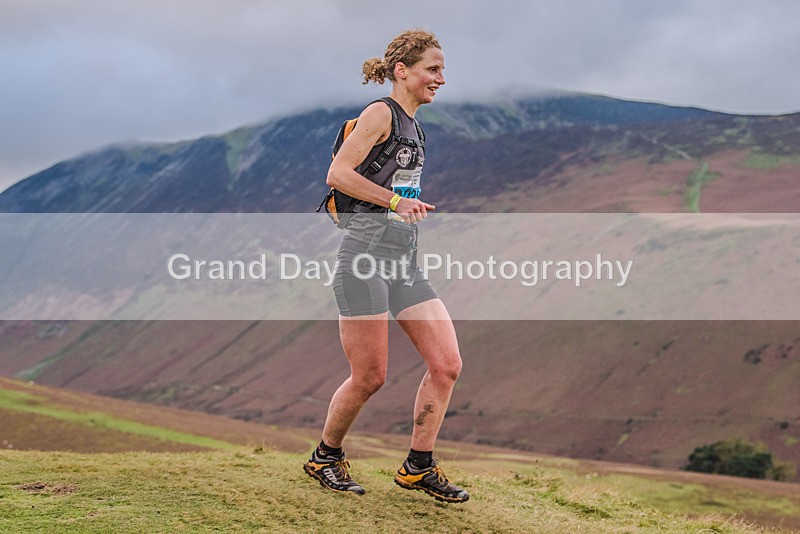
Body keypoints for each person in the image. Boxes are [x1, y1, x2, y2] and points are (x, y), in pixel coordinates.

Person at [303, 29, 469, 503]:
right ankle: (325, 458)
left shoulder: (416, 128)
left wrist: (406, 212)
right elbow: (337, 174)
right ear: (403, 71)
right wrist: (395, 201)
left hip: (403, 263)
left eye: (442, 70)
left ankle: (418, 467)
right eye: (433, 69)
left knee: (447, 363)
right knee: (370, 377)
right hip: (363, 261)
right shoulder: (381, 113)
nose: (441, 78)